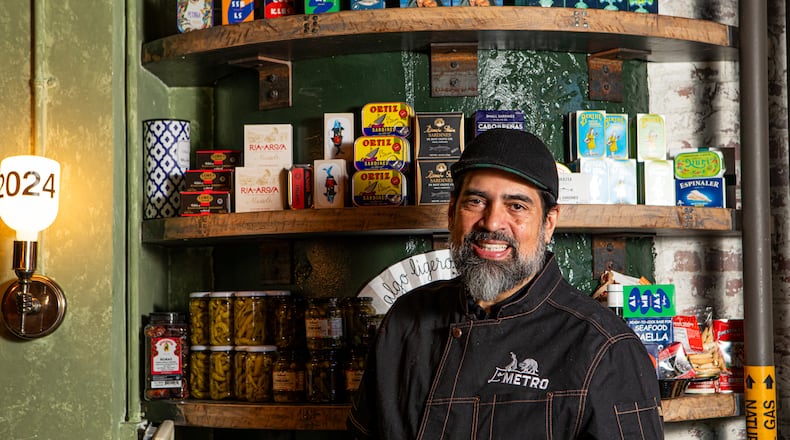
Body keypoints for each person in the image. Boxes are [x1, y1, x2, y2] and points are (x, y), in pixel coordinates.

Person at [347, 128, 663, 439]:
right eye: (476, 201)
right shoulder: (405, 320)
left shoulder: (607, 348)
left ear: (548, 223)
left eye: (516, 206)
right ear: (452, 212)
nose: (492, 222)